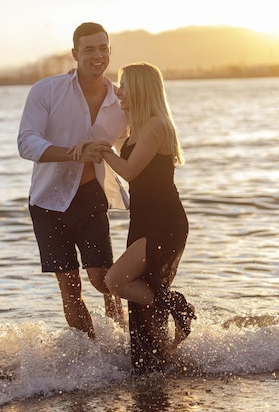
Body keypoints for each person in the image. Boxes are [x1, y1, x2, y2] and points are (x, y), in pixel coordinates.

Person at [70, 62, 195, 369]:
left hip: (164, 221)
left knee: (116, 280)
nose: (119, 91)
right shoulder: (136, 127)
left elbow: (129, 171)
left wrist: (101, 150)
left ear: (139, 89)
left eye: (124, 86)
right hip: (142, 219)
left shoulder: (156, 125)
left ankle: (178, 305)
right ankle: (156, 363)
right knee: (142, 304)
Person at [17, 22, 129, 339]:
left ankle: (122, 341)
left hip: (92, 196)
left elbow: (131, 149)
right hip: (47, 201)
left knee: (103, 278)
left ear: (110, 51)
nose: (98, 55)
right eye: (89, 49)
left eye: (103, 48)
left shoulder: (120, 102)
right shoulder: (46, 90)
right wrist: (73, 153)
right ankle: (91, 354)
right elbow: (27, 143)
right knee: (70, 284)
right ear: (75, 53)